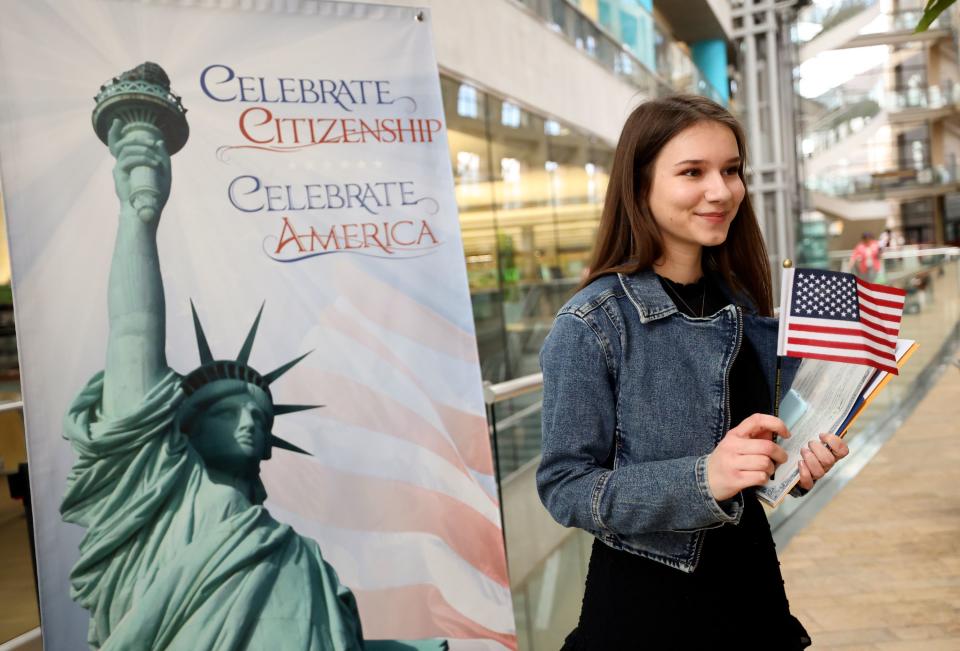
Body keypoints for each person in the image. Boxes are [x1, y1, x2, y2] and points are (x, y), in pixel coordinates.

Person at [61, 72, 445, 648]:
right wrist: (138, 217)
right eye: (228, 412)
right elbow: (133, 331)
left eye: (261, 420)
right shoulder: (164, 499)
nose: (249, 422)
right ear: (184, 427)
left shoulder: (299, 553)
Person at [536, 95, 850, 649]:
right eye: (692, 172)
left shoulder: (743, 303)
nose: (721, 191)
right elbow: (566, 486)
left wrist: (795, 466)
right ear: (639, 187)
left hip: (754, 602)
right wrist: (702, 479)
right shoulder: (593, 322)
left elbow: (755, 462)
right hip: (647, 618)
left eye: (731, 170)